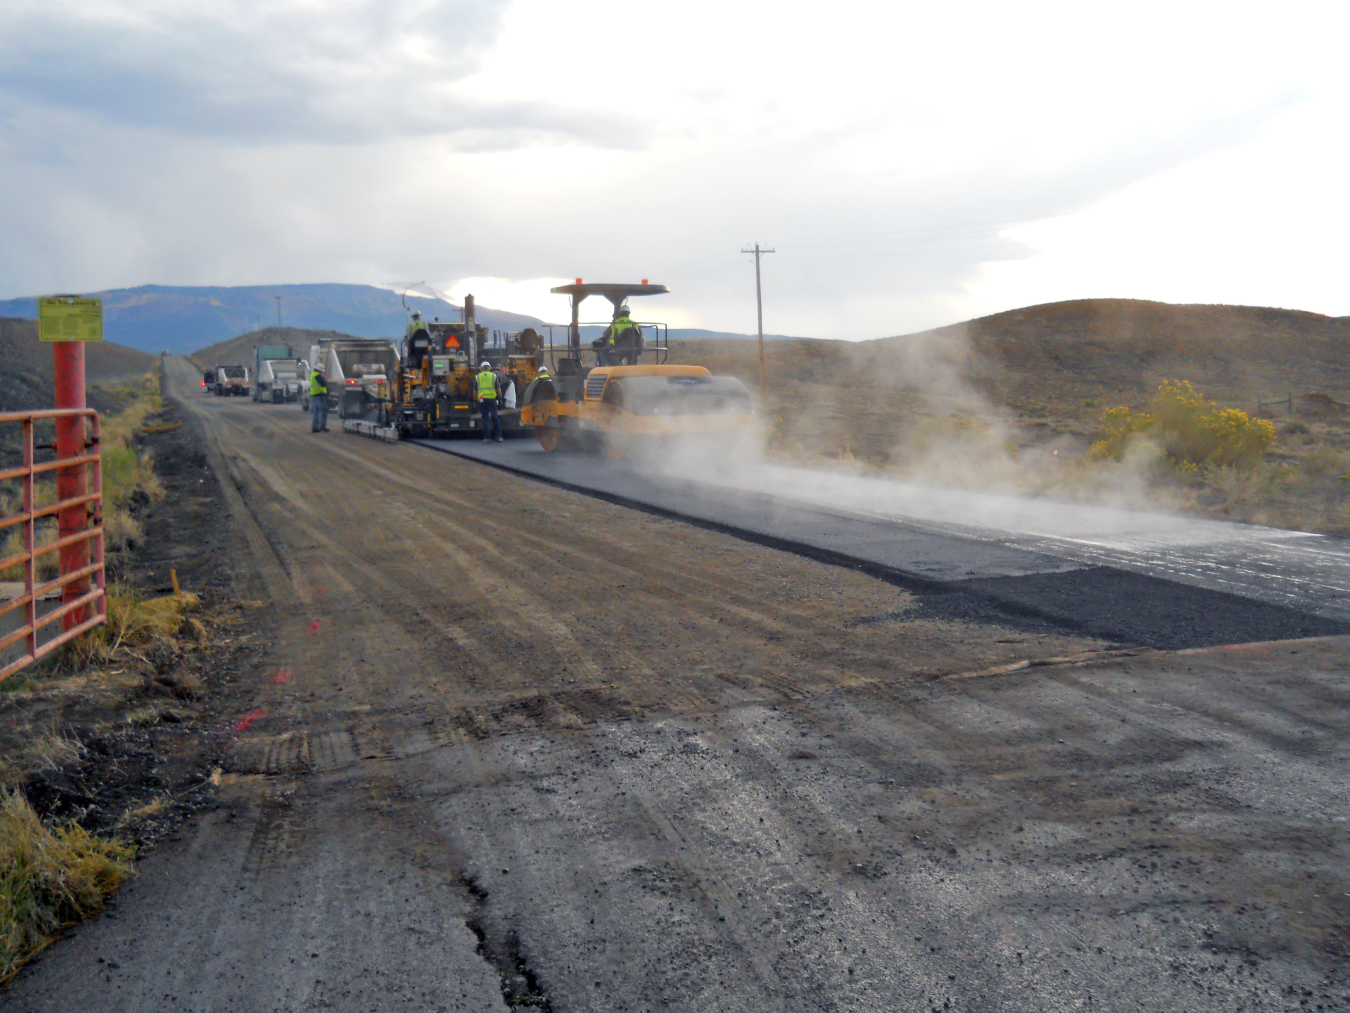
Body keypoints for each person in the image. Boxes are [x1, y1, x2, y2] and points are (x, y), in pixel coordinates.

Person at [476, 360, 504, 442]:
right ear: (489, 368)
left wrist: (475, 400)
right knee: (495, 417)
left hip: (482, 399)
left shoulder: (477, 377)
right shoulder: (493, 376)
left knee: (485, 418)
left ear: (481, 368)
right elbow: (498, 389)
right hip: (492, 399)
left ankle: (487, 438)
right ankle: (498, 437)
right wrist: (500, 398)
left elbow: (475, 390)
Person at [309, 367, 329, 432]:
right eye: (322, 371)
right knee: (323, 411)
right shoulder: (317, 375)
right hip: (319, 395)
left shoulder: (312, 374)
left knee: (316, 412)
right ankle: (322, 426)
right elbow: (323, 384)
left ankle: (315, 427)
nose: (322, 372)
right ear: (319, 370)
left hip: (314, 395)